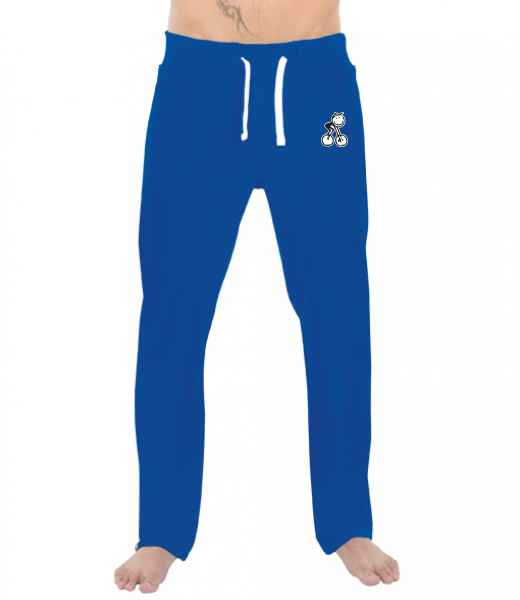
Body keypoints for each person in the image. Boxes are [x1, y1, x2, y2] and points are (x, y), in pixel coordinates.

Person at [114, 0, 400, 593]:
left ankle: (348, 521)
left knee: (338, 309)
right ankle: (161, 529)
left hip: (319, 98)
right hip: (197, 90)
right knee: (172, 314)